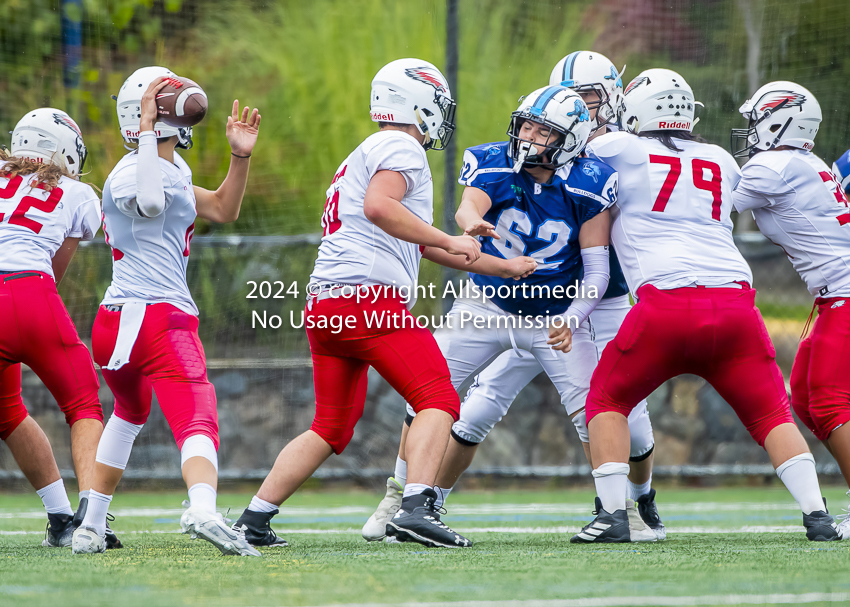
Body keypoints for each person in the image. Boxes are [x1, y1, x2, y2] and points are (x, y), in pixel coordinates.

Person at [230, 58, 536, 550]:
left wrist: (501, 266)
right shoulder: (401, 146)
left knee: (330, 427)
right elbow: (380, 207)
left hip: (327, 305)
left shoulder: (366, 151)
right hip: (368, 301)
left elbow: (423, 244)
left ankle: (254, 518)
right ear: (415, 102)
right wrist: (445, 236)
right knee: (439, 399)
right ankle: (415, 509)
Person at [363, 51, 663, 545]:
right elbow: (470, 205)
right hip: (487, 303)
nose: (528, 140)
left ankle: (619, 510)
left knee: (598, 409)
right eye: (526, 128)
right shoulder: (493, 159)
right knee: (428, 393)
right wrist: (466, 225)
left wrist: (572, 316)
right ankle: (402, 498)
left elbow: (597, 268)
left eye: (543, 133)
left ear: (570, 141)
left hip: (554, 312)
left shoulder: (591, 180)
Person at [573, 68, 839, 543]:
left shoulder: (622, 147)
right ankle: (818, 516)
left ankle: (613, 516)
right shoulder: (719, 157)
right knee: (772, 414)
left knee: (607, 401)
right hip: (736, 305)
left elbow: (572, 148)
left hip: (667, 304)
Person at [71, 66, 262, 556]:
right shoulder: (134, 169)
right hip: (157, 316)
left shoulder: (169, 166)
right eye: (165, 95)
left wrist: (240, 156)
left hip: (118, 323)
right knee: (198, 413)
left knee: (128, 415)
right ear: (143, 112)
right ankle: (201, 509)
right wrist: (150, 130)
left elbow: (222, 208)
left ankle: (91, 525)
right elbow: (152, 205)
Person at [731, 81, 850, 539]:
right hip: (832, 295)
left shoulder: (773, 166)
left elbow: (704, 206)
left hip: (844, 293)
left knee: (829, 401)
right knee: (802, 396)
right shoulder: (804, 161)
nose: (750, 130)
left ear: (780, 120)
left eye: (756, 119)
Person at [0, 108, 113, 548]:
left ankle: (59, 518)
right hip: (31, 293)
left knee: (7, 414)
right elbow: (54, 268)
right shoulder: (77, 191)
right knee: (84, 405)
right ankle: (89, 519)